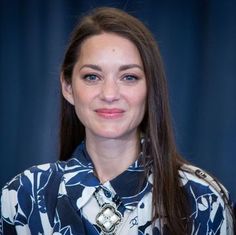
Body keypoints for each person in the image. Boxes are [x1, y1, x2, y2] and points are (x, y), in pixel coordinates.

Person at [0, 7, 234, 235]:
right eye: (92, 76)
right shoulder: (24, 195)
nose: (110, 94)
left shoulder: (203, 200)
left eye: (129, 77)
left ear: (151, 87)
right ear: (68, 87)